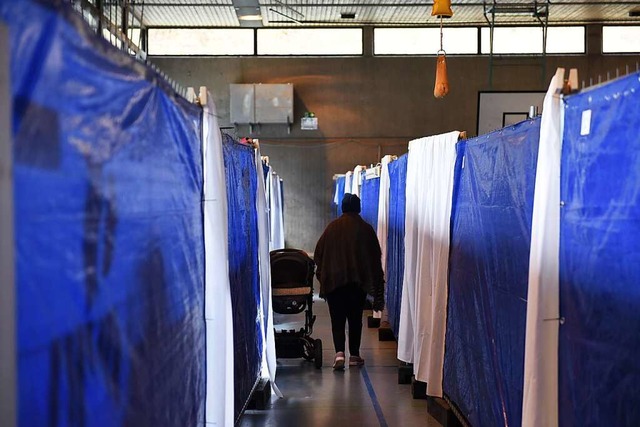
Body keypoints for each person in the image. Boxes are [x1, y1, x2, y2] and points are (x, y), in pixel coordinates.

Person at [314, 193, 385, 370]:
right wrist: (375, 285)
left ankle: (339, 354)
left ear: (343, 207)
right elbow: (375, 257)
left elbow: (318, 254)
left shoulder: (331, 228)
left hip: (334, 284)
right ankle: (354, 355)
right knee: (355, 319)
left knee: (337, 320)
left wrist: (324, 275)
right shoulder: (366, 229)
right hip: (357, 284)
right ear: (359, 208)